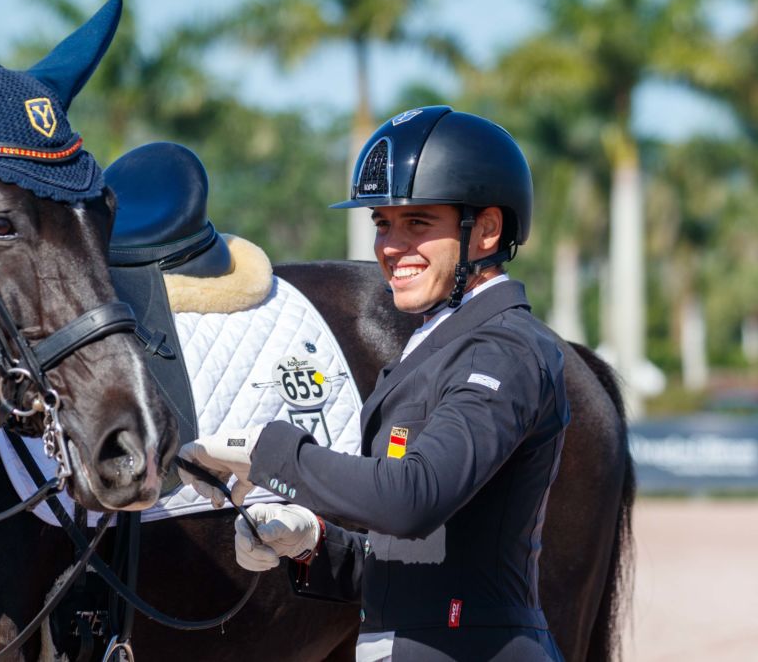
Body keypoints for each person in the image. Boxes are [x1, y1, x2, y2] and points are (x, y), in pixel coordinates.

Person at [178, 106, 569, 661]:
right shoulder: (435, 344)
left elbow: (413, 498)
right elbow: (421, 557)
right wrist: (311, 541)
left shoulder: (504, 349)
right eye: (383, 224)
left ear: (486, 229)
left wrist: (270, 453)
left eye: (417, 224)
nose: (390, 246)